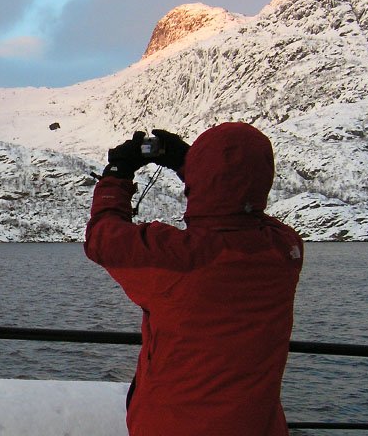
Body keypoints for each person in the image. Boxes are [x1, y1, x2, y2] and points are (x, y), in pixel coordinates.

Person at [84, 123, 303, 436]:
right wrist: (191, 163)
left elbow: (102, 238)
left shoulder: (180, 257)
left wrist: (117, 174)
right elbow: (241, 205)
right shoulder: (284, 249)